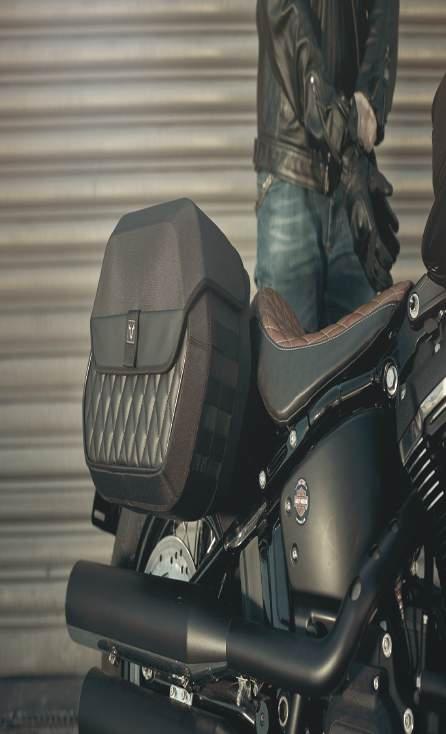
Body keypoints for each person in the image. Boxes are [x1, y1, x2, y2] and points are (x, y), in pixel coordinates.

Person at [254, 0, 400, 332]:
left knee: (360, 355)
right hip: (293, 173)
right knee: (290, 354)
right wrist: (349, 148)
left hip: (353, 175)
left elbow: (384, 16)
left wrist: (370, 101)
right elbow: (290, 21)